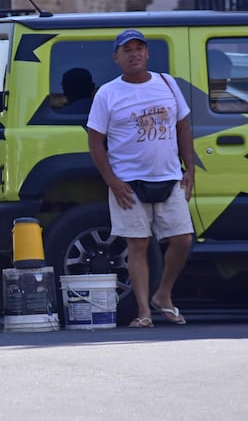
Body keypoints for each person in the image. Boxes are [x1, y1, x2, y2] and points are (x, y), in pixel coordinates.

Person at [87, 28, 194, 328]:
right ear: (116, 57)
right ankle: (144, 312)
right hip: (128, 184)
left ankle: (164, 295)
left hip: (169, 177)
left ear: (147, 53)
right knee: (138, 245)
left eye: (139, 48)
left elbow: (183, 127)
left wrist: (190, 168)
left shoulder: (167, 83)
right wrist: (112, 180)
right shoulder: (108, 93)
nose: (134, 53)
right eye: (127, 50)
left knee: (183, 240)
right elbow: (95, 141)